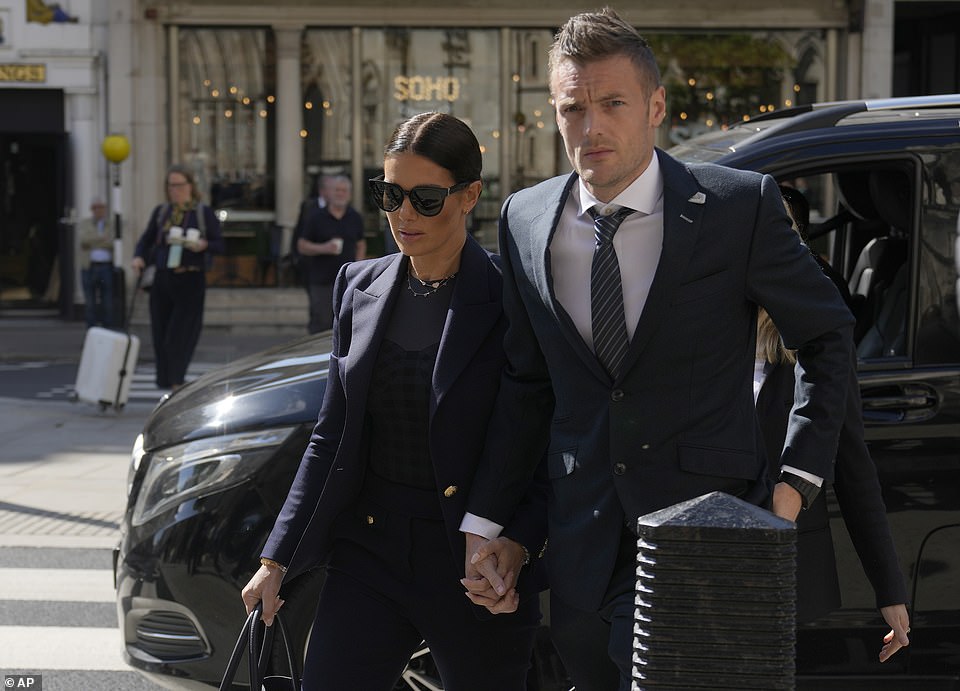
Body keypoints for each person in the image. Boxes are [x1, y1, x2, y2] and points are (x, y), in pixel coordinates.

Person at [460, 9, 855, 690]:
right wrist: (491, 524)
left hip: (703, 544)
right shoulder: (525, 219)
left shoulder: (738, 206)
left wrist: (793, 487)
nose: (591, 127)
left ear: (656, 107)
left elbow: (827, 336)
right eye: (572, 107)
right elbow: (528, 385)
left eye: (612, 103)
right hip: (581, 553)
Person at [240, 112, 543, 690]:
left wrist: (518, 541)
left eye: (426, 198)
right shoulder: (357, 285)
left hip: (471, 561)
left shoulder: (514, 297)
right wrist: (276, 559)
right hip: (369, 552)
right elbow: (331, 435)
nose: (404, 215)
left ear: (470, 195)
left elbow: (537, 438)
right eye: (390, 194)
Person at [757, 189, 910, 662]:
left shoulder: (815, 334)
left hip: (780, 566)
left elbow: (850, 462)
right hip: (698, 554)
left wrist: (889, 590)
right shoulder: (700, 320)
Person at [132, 164, 224, 390]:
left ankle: (176, 381)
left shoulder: (202, 213)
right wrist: (138, 257)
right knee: (160, 333)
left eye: (179, 185)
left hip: (190, 279)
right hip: (163, 278)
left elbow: (220, 244)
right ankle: (165, 382)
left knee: (180, 334)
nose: (175, 190)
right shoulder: (162, 212)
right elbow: (146, 240)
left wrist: (203, 244)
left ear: (190, 186)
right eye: (171, 185)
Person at [297, 174, 367, 333]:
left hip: (348, 282)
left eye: (344, 191)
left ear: (349, 195)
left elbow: (361, 244)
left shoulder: (355, 217)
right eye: (337, 190)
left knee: (346, 325)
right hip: (322, 281)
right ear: (329, 193)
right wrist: (324, 248)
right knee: (321, 325)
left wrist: (359, 266)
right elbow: (301, 246)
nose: (340, 194)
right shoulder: (316, 217)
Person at [77, 197, 114, 327]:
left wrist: (94, 241)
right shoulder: (85, 223)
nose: (98, 211)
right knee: (90, 302)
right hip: (89, 266)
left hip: (106, 266)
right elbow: (83, 241)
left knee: (107, 300)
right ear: (92, 209)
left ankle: (108, 329)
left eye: (101, 207)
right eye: (95, 208)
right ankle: (91, 331)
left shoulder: (111, 224)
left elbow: (113, 242)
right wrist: (101, 239)